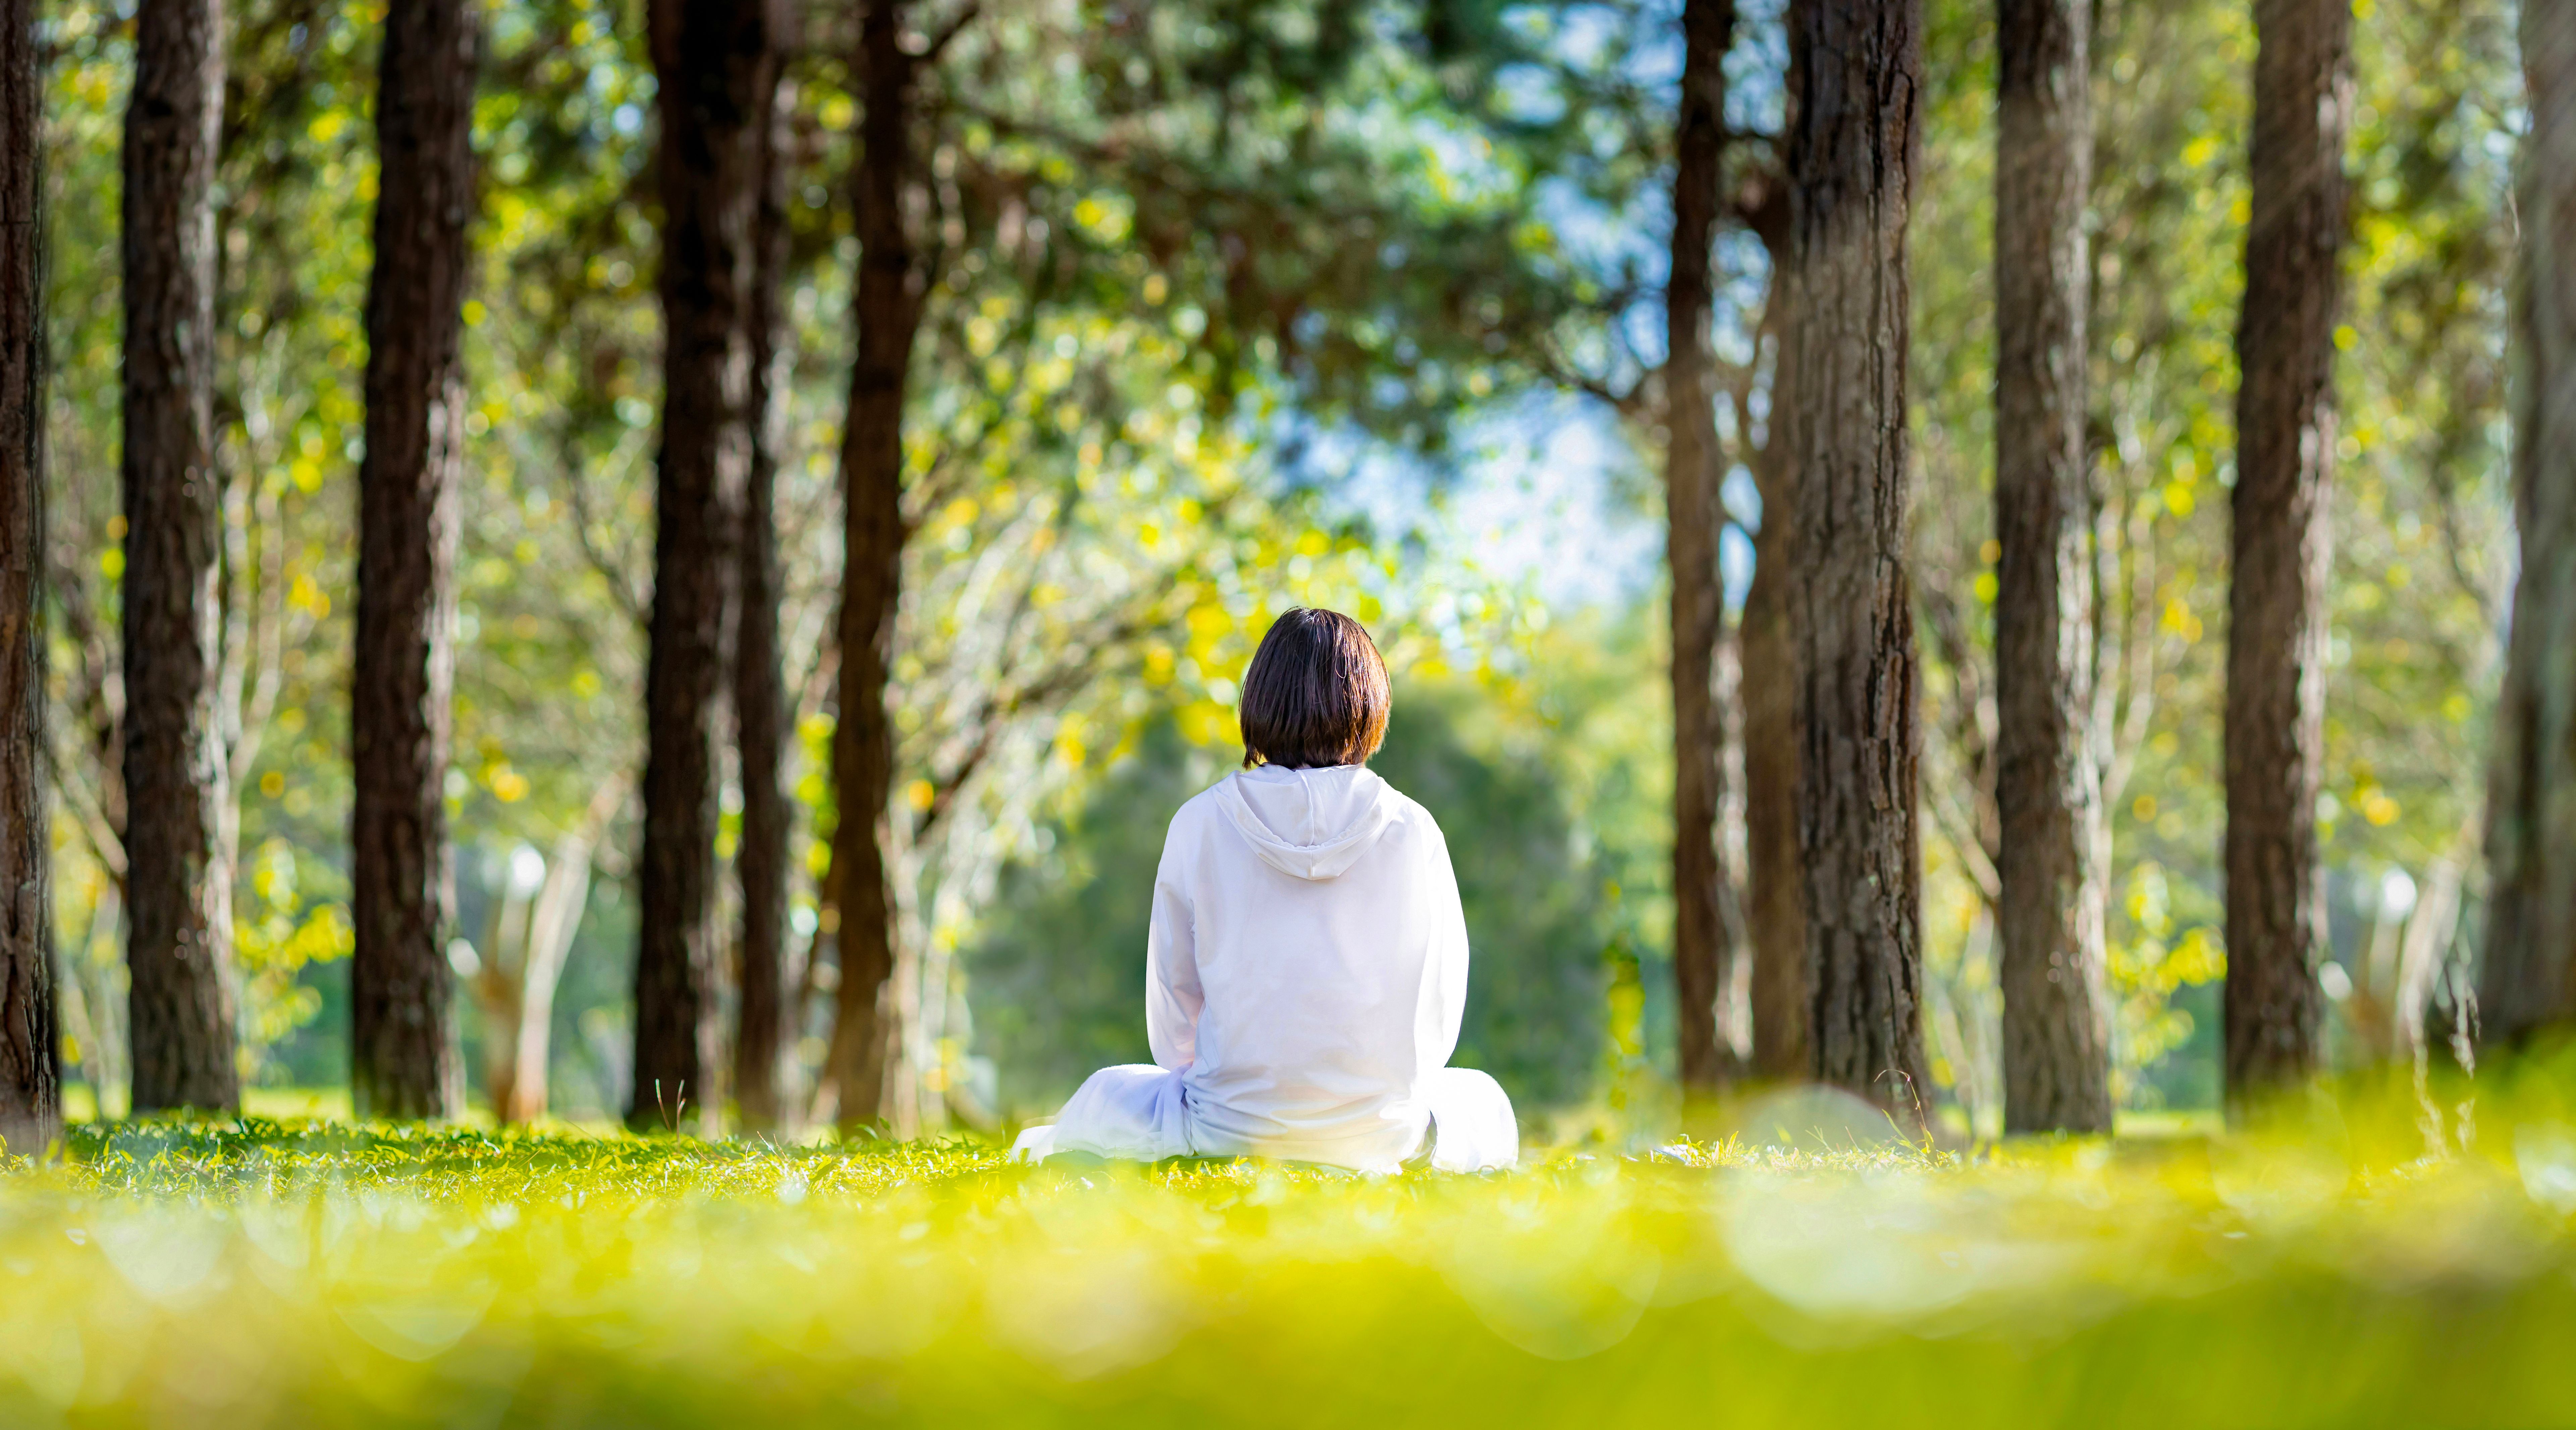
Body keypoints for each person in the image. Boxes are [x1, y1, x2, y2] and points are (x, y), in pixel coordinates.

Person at [1011, 607, 1518, 1173]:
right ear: (1371, 704)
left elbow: (1173, 1021)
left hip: (1226, 1126)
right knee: (1483, 1099)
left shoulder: (1199, 822)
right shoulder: (1414, 828)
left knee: (1108, 1092)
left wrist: (1234, 1083)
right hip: (1380, 1133)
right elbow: (1438, 1013)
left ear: (1259, 701)